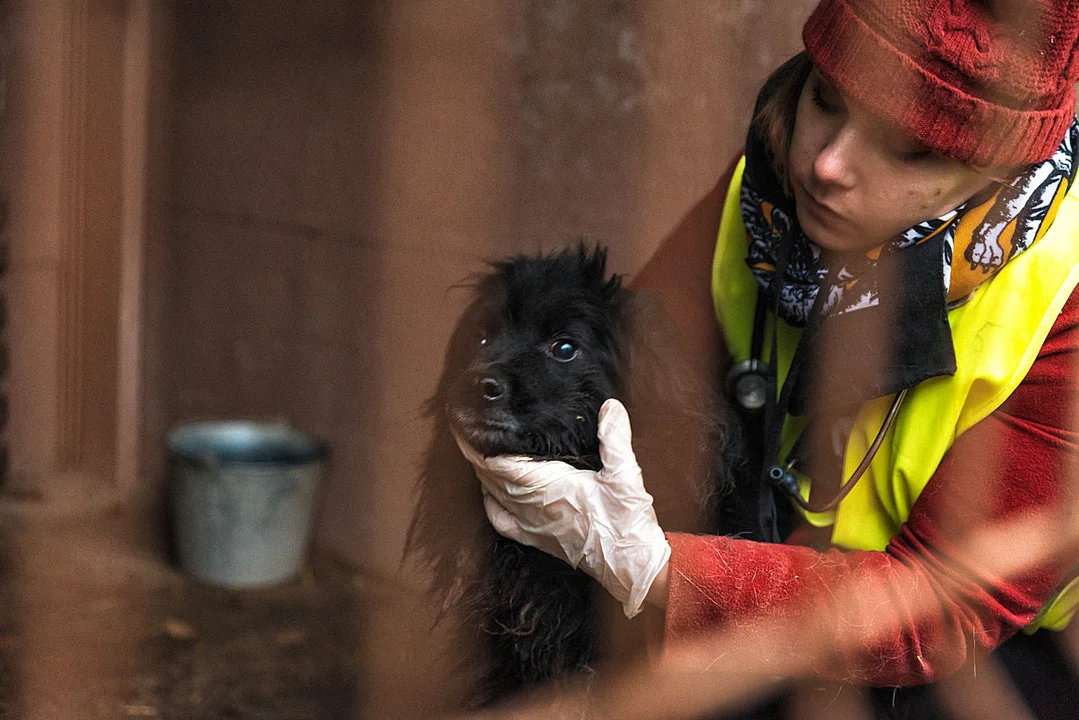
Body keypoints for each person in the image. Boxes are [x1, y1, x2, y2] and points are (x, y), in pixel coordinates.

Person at [454, 0, 1079, 717]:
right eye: (824, 100)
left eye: (909, 149)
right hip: (766, 567)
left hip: (981, 644)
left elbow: (941, 613)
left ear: (997, 172)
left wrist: (658, 569)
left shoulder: (1063, 293)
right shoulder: (771, 188)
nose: (825, 164)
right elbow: (635, 389)